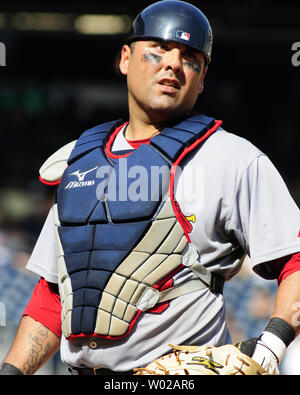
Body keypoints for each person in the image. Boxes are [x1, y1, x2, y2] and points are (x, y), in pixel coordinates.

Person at [1, 0, 300, 376]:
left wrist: (271, 345)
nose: (173, 63)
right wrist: (12, 371)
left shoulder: (233, 159)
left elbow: (296, 257)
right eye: (158, 50)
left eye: (190, 57)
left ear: (202, 78)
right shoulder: (78, 162)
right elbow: (52, 295)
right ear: (125, 58)